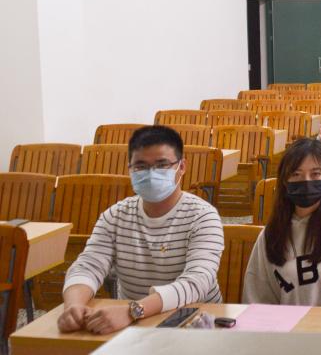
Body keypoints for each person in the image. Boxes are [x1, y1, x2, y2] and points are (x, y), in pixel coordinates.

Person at [58, 126, 224, 334]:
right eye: (141, 166)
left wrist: (133, 311)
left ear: (181, 167)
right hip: (133, 325)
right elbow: (87, 266)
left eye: (162, 165)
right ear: (130, 169)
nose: (151, 174)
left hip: (196, 324)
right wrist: (74, 305)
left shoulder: (203, 216)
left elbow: (196, 283)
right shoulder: (115, 216)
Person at [243, 139, 321, 306]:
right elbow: (257, 294)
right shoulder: (270, 234)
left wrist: (320, 322)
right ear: (285, 180)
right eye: (296, 174)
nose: (306, 181)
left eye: (315, 174)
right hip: (282, 323)